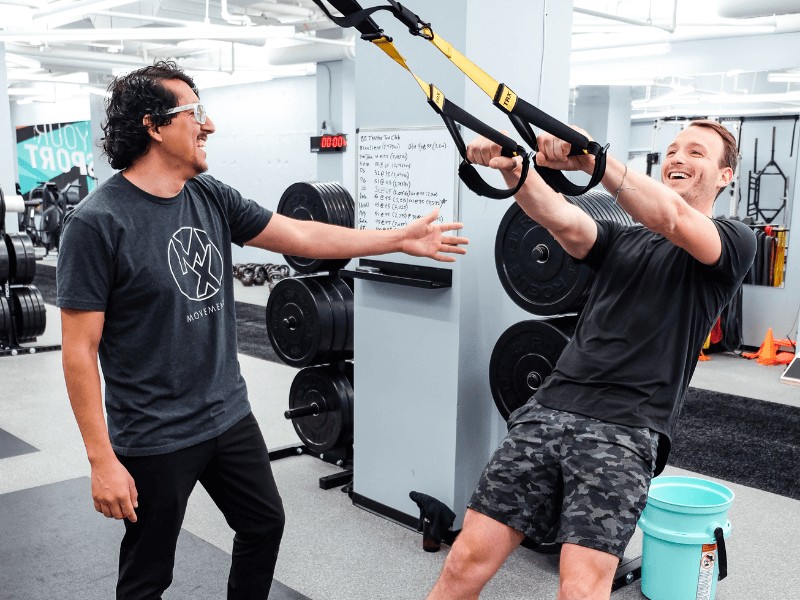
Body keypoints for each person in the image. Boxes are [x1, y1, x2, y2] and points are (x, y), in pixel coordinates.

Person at [56, 60, 467, 600]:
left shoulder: (210, 196)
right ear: (154, 126)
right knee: (148, 573)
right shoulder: (96, 223)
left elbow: (297, 233)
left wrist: (395, 239)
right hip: (155, 433)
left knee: (263, 525)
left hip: (226, 413)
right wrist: (101, 460)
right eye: (195, 113)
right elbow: (79, 352)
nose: (210, 125)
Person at [427, 120, 756, 600]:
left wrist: (594, 163)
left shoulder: (731, 240)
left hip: (624, 429)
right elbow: (561, 219)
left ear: (725, 176)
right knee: (462, 564)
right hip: (548, 409)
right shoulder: (625, 239)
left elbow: (673, 220)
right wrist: (514, 170)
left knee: (580, 590)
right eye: (672, 149)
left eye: (697, 153)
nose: (679, 158)